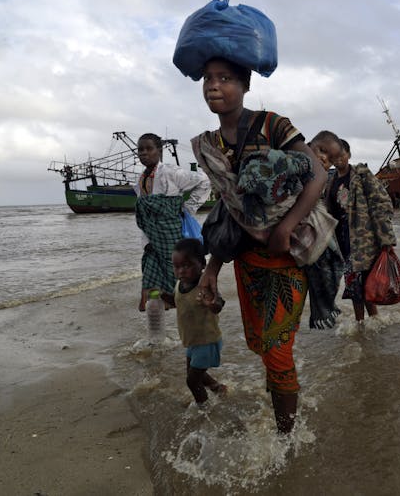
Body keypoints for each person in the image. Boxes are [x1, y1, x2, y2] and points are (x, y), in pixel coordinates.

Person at [190, 57, 327, 434]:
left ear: (246, 85)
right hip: (247, 262)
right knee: (263, 346)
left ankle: (285, 441)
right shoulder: (211, 144)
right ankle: (282, 410)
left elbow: (317, 175)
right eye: (208, 79)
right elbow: (228, 212)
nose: (214, 86)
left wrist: (287, 225)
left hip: (289, 255)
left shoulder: (273, 124)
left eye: (225, 79)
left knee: (278, 349)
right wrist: (211, 271)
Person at [134, 133, 211, 311]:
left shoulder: (170, 172)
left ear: (159, 151)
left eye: (149, 149)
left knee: (176, 272)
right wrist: (146, 241)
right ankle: (161, 318)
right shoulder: (140, 179)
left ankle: (188, 307)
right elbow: (145, 216)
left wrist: (189, 208)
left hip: (170, 232)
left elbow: (204, 181)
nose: (144, 153)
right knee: (150, 273)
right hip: (152, 236)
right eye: (140, 149)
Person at [325, 137, 397, 322]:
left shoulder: (361, 175)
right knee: (354, 283)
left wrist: (386, 239)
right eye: (334, 155)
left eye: (341, 153)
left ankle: (369, 323)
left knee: (365, 283)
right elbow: (329, 213)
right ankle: (365, 325)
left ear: (348, 154)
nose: (338, 158)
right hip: (343, 239)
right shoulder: (331, 182)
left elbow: (382, 204)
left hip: (364, 239)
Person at [172, 238, 226, 408]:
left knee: (192, 380)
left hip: (207, 341)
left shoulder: (204, 287)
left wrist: (211, 304)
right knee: (195, 374)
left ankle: (204, 408)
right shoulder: (180, 284)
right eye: (177, 266)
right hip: (193, 341)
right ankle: (217, 388)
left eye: (187, 266)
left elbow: (219, 304)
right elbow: (180, 302)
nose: (181, 271)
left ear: (202, 264)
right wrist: (162, 297)